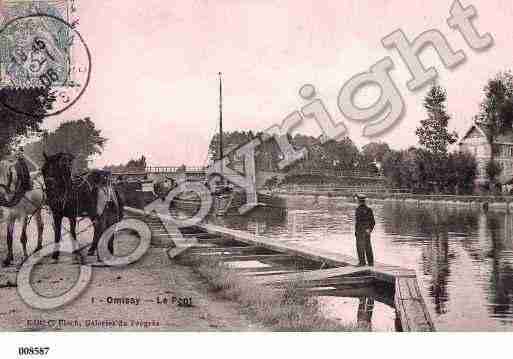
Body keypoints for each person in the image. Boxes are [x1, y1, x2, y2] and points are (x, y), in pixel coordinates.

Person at [355, 194, 375, 266]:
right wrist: (369, 230)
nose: (358, 202)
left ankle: (362, 262)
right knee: (367, 246)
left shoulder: (359, 209)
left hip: (361, 231)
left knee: (361, 247)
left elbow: (372, 222)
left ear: (359, 201)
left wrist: (369, 229)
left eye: (358, 200)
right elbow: (373, 222)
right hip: (365, 231)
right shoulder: (368, 209)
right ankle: (370, 262)